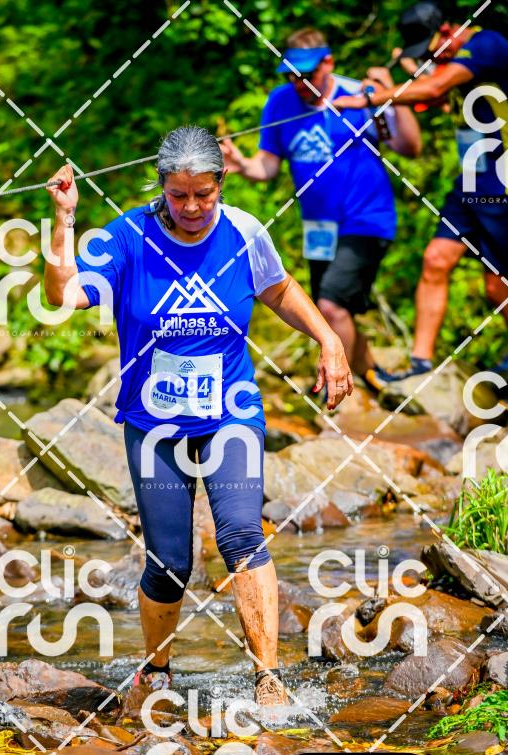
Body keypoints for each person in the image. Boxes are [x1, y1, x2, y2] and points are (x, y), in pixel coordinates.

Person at [44, 126, 352, 706]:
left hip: (231, 412)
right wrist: (64, 221)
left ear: (221, 182)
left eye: (203, 194)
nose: (191, 207)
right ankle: (158, 670)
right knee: (169, 563)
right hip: (154, 423)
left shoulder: (244, 231)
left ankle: (268, 678)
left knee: (241, 535)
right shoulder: (127, 236)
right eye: (179, 194)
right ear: (162, 185)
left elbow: (280, 290)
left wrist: (328, 340)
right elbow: (64, 296)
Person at [220, 27, 421, 395]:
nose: (300, 83)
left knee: (329, 308)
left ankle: (342, 393)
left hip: (366, 219)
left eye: (308, 74)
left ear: (328, 62)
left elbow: (411, 147)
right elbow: (267, 166)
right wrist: (242, 164)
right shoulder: (280, 102)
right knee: (335, 310)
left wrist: (394, 93)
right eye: (292, 75)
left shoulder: (360, 94)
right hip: (318, 228)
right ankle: (373, 377)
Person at [334, 2, 508, 379]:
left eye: (431, 50)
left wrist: (370, 98)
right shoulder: (455, 60)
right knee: (436, 259)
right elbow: (434, 98)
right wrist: (399, 73)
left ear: (446, 31)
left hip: (500, 181)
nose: (431, 59)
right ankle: (421, 365)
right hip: (472, 179)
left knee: (497, 287)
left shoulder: (487, 44)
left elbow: (435, 87)